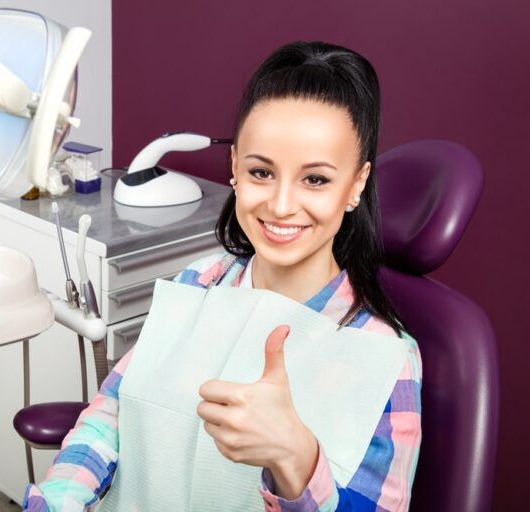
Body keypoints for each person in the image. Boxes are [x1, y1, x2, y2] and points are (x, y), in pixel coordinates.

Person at [24, 41, 422, 511]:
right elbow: (110, 415)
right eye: (261, 172)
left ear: (356, 184)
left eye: (315, 179)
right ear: (235, 167)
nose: (280, 205)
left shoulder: (384, 357)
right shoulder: (199, 284)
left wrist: (297, 463)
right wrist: (57, 501)